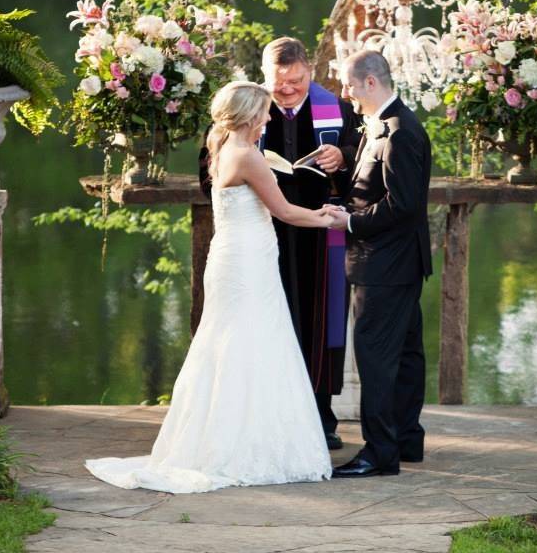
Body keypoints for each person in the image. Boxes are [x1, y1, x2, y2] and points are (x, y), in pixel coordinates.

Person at [86, 82, 336, 493]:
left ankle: (224, 436)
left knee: (229, 344)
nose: (269, 120)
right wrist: (326, 217)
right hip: (247, 260)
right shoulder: (247, 155)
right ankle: (244, 446)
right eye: (265, 113)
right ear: (250, 116)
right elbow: (286, 211)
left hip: (233, 256)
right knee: (254, 342)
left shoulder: (219, 142)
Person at [200, 37, 361, 450]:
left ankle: (320, 414)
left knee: (318, 321)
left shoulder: (337, 110)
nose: (288, 90)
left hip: (319, 239)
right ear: (265, 77)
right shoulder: (243, 114)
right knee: (266, 323)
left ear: (310, 70)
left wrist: (341, 157)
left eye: (297, 80)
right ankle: (261, 413)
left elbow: (363, 165)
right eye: (279, 82)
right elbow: (209, 178)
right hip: (264, 235)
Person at [328, 51, 433, 477]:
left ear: (371, 83)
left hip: (386, 266)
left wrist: (349, 221)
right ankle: (406, 440)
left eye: (350, 86)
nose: (346, 94)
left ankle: (379, 453)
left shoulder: (401, 132)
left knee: (376, 358)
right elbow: (373, 188)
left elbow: (403, 206)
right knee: (406, 356)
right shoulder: (383, 127)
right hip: (394, 264)